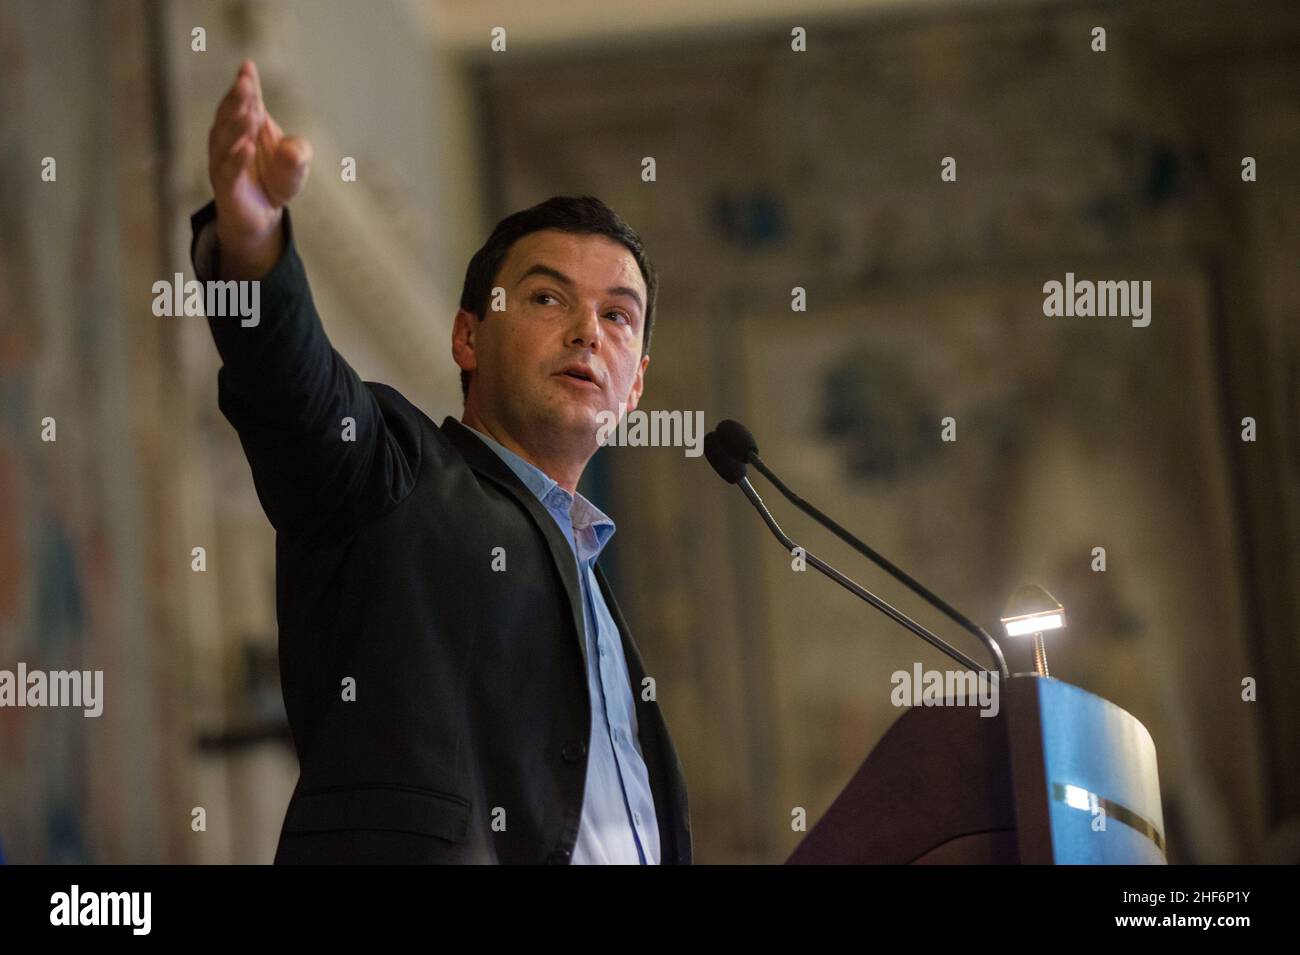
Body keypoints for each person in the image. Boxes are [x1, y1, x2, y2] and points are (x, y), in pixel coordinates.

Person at [194, 59, 691, 863]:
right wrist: (251, 243)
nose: (587, 332)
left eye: (618, 316)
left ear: (635, 385)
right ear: (468, 336)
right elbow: (299, 391)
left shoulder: (599, 599)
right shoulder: (396, 477)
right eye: (545, 297)